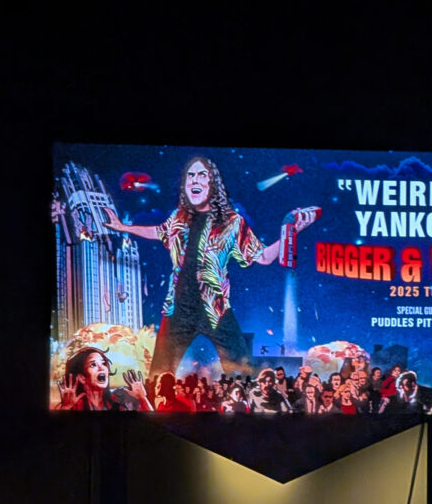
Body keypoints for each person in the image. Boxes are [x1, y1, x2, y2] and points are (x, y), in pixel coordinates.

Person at [103, 157, 318, 378]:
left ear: (213, 184)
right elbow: (158, 231)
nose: (195, 180)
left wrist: (291, 233)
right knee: (158, 378)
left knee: (243, 377)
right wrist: (123, 227)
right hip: (177, 310)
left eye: (202, 175)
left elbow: (263, 257)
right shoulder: (179, 218)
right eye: (191, 175)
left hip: (215, 308)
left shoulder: (232, 222)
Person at [56, 347, 153, 411]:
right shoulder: (76, 406)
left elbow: (154, 426)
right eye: (93, 365)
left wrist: (142, 398)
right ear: (82, 378)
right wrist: (65, 407)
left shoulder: (120, 400)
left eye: (103, 363)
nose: (102, 368)